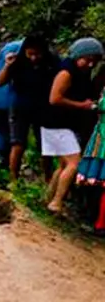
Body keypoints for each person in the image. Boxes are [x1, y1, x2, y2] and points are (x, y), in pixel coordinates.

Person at [44, 38, 104, 216]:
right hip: (57, 124)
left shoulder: (80, 71)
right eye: (88, 58)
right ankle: (56, 202)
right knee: (74, 164)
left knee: (63, 166)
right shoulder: (66, 72)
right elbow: (54, 98)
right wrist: (82, 106)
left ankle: (48, 198)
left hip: (62, 125)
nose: (91, 63)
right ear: (79, 55)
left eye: (94, 60)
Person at [0, 36, 58, 182]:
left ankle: (48, 178)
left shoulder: (52, 61)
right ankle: (13, 179)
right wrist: (7, 66)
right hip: (20, 106)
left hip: (42, 107)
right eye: (30, 54)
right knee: (18, 144)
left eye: (38, 54)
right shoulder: (17, 61)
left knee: (45, 145)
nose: (34, 58)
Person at [0, 40, 22, 169]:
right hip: (15, 102)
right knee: (13, 136)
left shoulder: (7, 49)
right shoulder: (28, 53)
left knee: (1, 131)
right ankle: (7, 166)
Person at [77, 86, 105, 235]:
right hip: (99, 139)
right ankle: (97, 221)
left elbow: (100, 105)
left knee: (96, 182)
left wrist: (94, 105)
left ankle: (96, 221)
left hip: (101, 142)